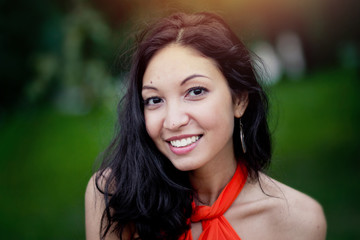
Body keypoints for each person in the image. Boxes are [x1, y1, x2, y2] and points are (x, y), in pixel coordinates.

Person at [85, 12, 326, 240]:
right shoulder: (116, 196)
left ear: (239, 99)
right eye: (155, 100)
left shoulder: (299, 220)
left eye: (195, 91)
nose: (173, 121)